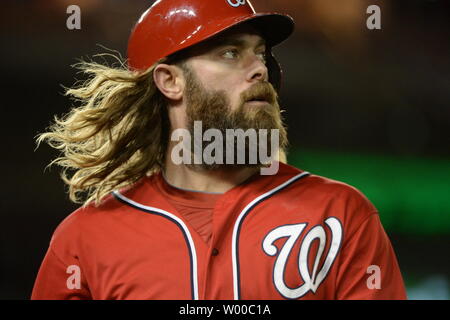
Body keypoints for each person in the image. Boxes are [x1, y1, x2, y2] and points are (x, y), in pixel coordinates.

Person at [32, 0, 407, 300]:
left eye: (260, 53)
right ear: (169, 80)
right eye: (230, 53)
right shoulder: (86, 239)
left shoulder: (339, 216)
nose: (260, 68)